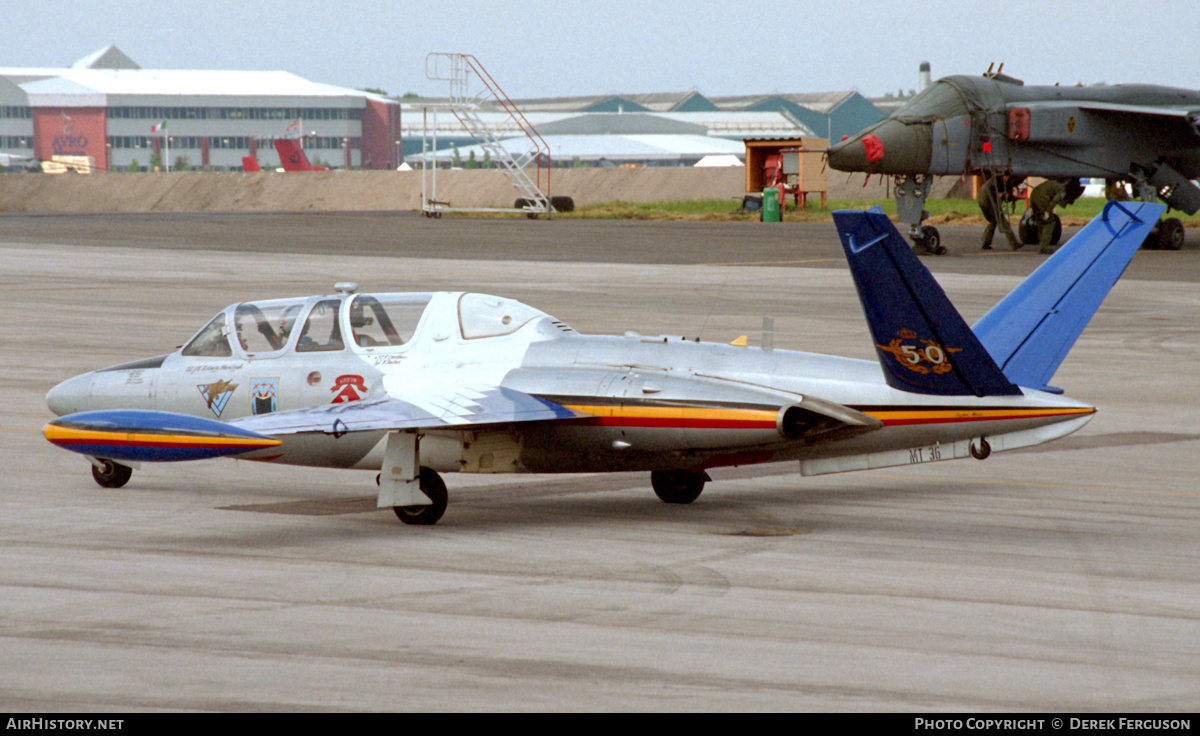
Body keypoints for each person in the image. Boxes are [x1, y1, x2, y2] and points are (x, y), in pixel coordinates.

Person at [977, 175, 1020, 250]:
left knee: (993, 220)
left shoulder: (999, 180)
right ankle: (1014, 243)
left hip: (981, 197)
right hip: (987, 197)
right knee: (1002, 220)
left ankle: (986, 242)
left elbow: (1003, 196)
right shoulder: (998, 179)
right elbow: (998, 191)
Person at [1029, 178, 1068, 254]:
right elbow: (1055, 200)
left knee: (1040, 220)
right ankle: (1043, 247)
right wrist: (1048, 211)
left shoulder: (1051, 183)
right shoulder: (1062, 189)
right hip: (1042, 199)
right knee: (1050, 222)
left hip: (1033, 195)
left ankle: (1040, 242)